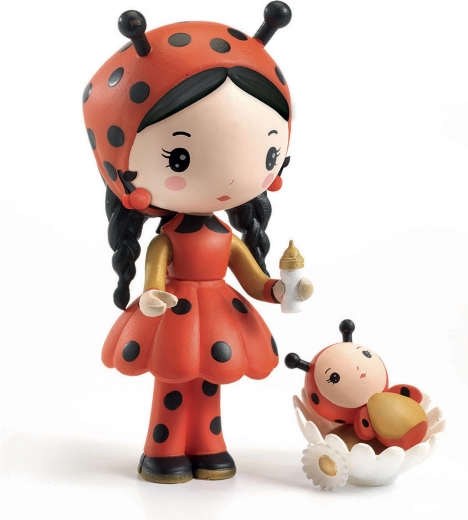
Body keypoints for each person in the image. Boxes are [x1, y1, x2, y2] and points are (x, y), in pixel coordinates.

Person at [82, 2, 311, 484]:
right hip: (176, 315)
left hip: (216, 314)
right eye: (179, 156)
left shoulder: (225, 236)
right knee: (174, 379)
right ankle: (161, 450)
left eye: (268, 150)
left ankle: (210, 445)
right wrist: (152, 295)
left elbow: (253, 278)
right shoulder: (168, 239)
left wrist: (280, 289)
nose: (228, 177)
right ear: (123, 171)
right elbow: (155, 269)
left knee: (209, 382)